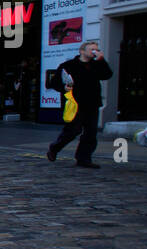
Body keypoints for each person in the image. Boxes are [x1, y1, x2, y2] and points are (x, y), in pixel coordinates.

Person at [47, 40, 112, 168]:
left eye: (97, 49)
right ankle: (54, 148)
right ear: (82, 51)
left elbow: (107, 75)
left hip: (92, 103)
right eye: (92, 49)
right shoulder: (69, 65)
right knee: (72, 131)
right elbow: (54, 83)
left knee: (90, 133)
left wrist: (101, 60)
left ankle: (84, 158)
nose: (95, 51)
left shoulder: (96, 65)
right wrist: (63, 87)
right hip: (75, 104)